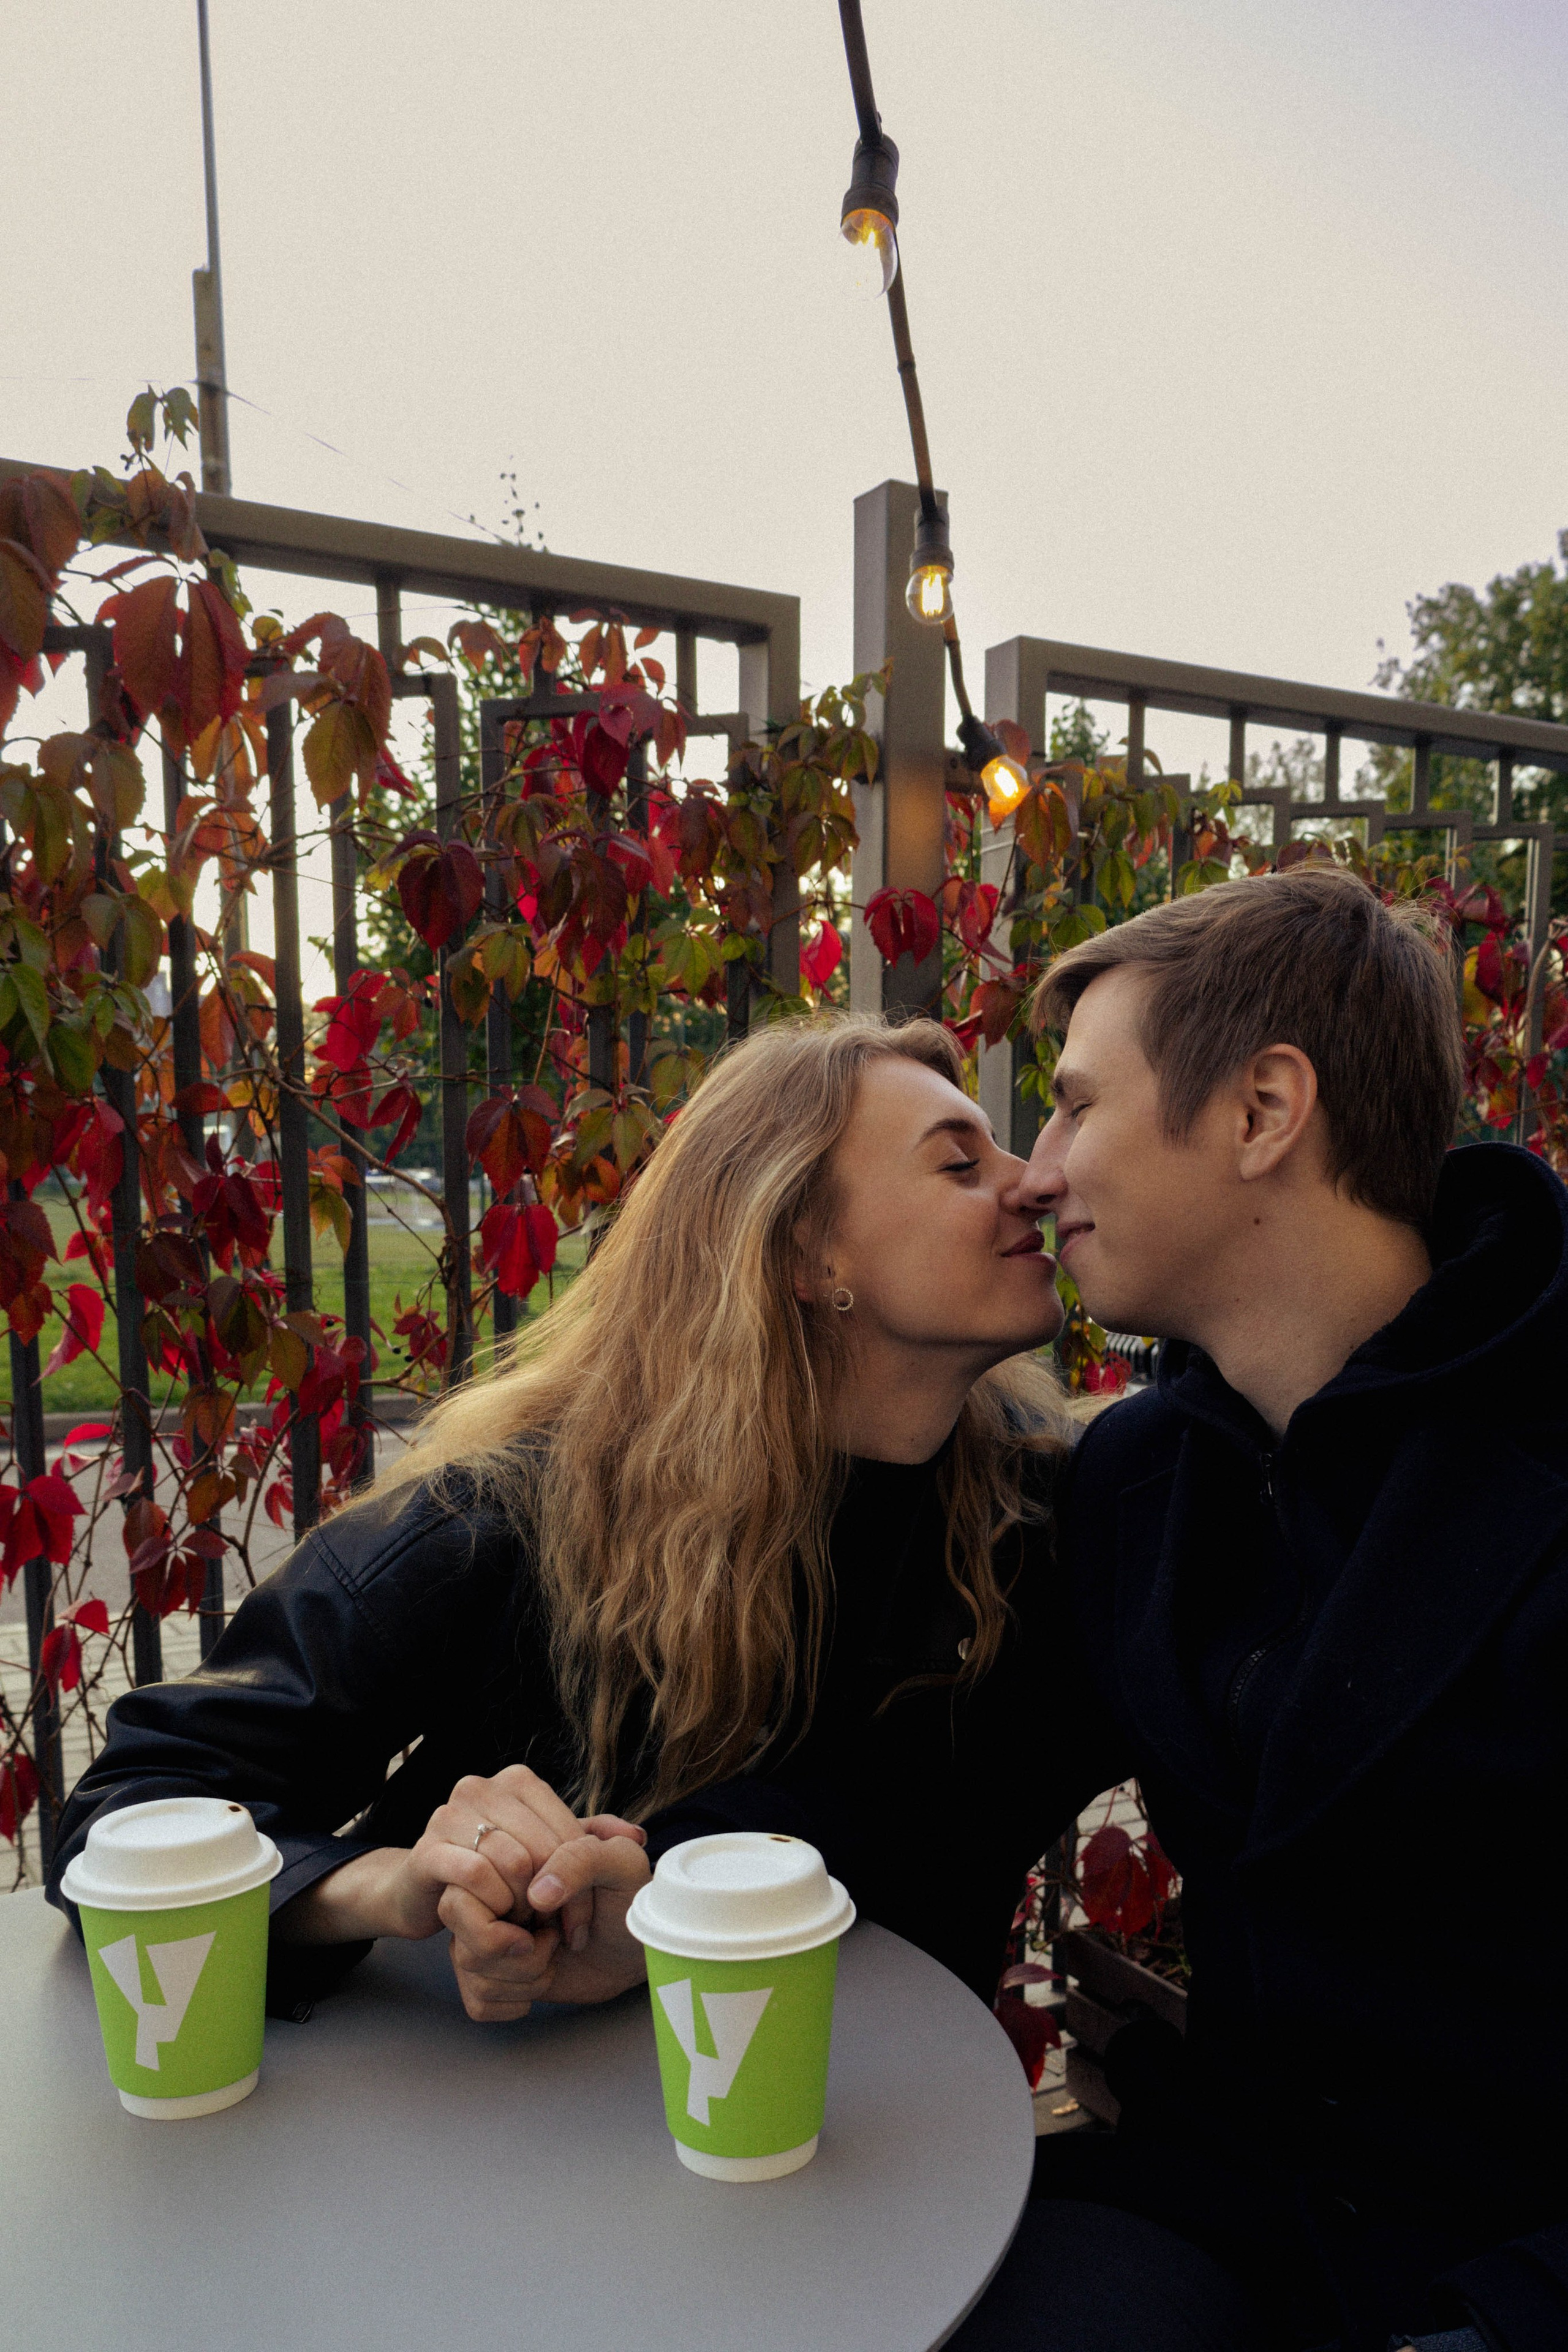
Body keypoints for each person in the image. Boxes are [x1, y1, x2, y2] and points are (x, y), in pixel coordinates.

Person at [50, 1014, 1112, 2027]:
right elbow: (127, 1812)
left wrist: (662, 1906)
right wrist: (399, 1885)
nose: (1036, 1182)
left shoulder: (1041, 1526)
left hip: (893, 2148)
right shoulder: (510, 1518)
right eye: (959, 1164)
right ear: (807, 1255)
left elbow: (932, 1806)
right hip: (505, 2142)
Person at [954, 865, 1568, 2352]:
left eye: (1077, 1103)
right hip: (1225, 2208)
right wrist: (668, 1899)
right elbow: (949, 1787)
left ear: (1258, 1112)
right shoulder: (1144, 1476)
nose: (1034, 1170)